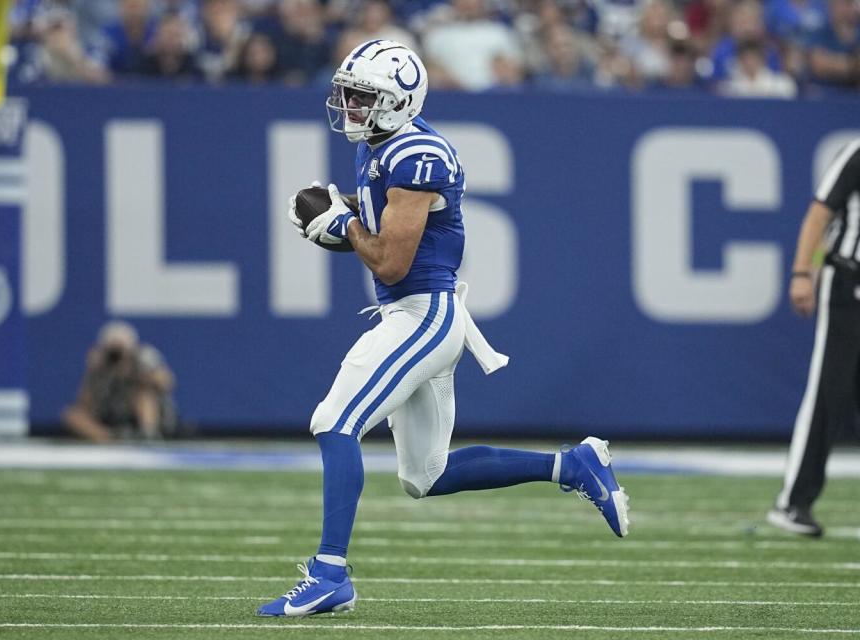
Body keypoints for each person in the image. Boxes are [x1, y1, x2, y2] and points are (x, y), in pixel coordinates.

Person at [258, 39, 629, 618]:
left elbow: (390, 261)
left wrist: (343, 224)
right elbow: (383, 218)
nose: (351, 107)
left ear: (398, 102)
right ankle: (573, 464)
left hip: (423, 315)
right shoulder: (386, 145)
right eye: (350, 94)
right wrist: (344, 214)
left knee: (334, 422)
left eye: (363, 98)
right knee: (425, 476)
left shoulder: (418, 154)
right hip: (418, 313)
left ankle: (331, 573)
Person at [769, 139, 860, 537]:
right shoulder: (857, 151)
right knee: (829, 392)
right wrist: (802, 272)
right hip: (847, 285)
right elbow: (819, 214)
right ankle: (793, 502)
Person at [63, 320, 177, 442]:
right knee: (71, 415)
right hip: (112, 420)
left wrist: (133, 373)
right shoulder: (101, 363)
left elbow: (167, 382)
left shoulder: (142, 356)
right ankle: (112, 439)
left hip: (144, 417)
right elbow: (84, 404)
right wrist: (93, 372)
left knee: (143, 393)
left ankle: (147, 435)